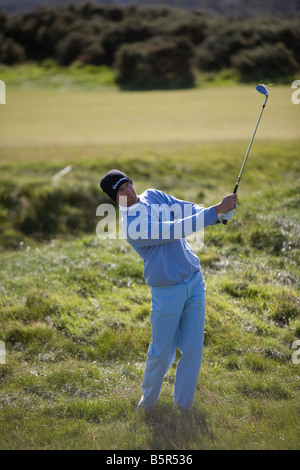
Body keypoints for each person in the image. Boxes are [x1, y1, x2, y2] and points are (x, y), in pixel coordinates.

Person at [100, 169, 238, 410]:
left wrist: (220, 215)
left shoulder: (153, 195)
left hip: (194, 281)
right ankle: (147, 404)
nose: (128, 191)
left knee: (193, 349)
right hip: (167, 291)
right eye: (121, 190)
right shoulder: (132, 225)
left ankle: (184, 408)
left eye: (128, 184)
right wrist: (215, 210)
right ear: (115, 199)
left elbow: (185, 209)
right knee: (162, 353)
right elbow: (175, 229)